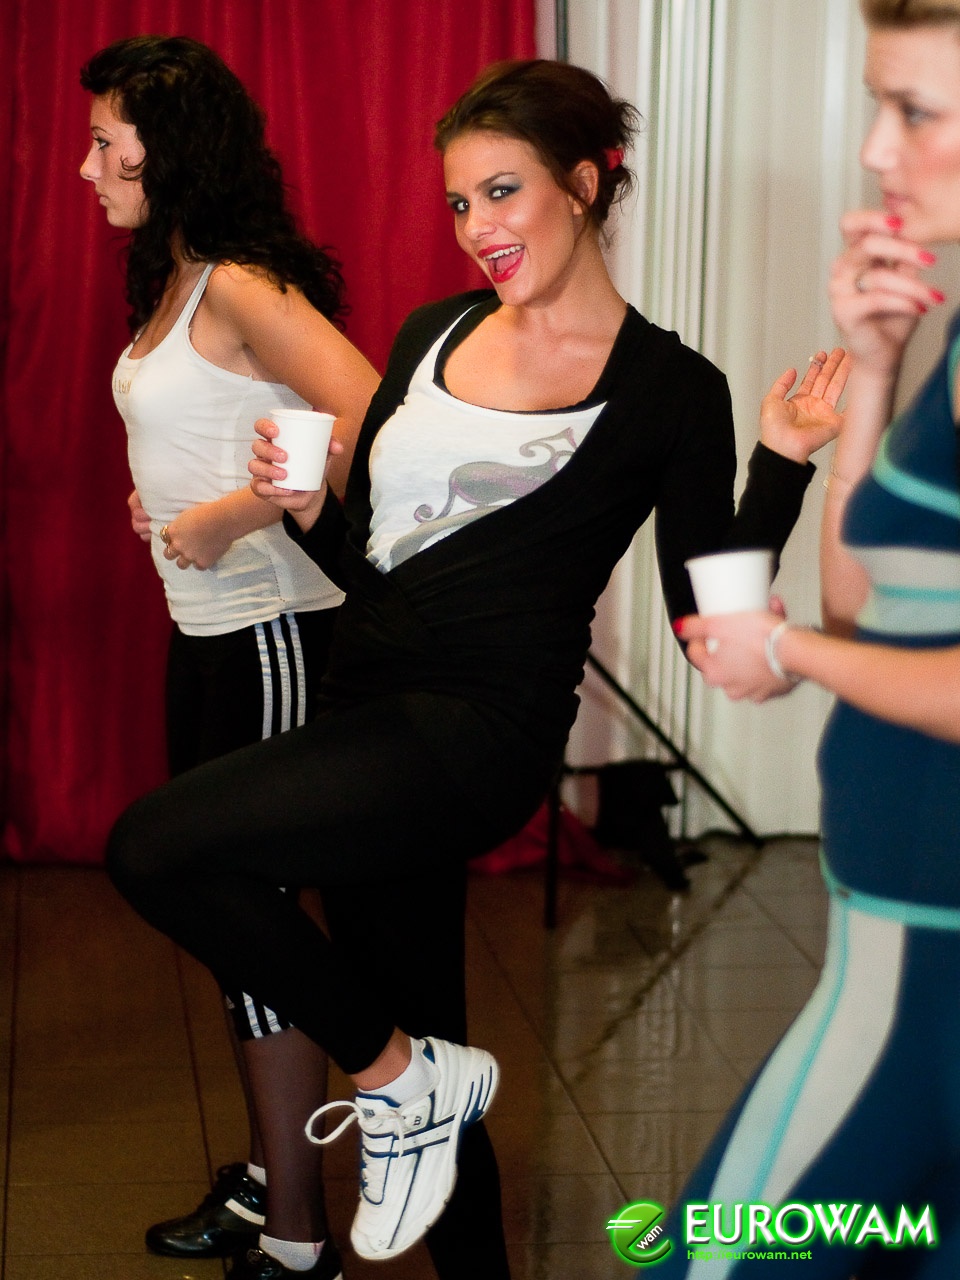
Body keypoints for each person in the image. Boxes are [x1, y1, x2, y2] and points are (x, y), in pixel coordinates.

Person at [103, 58, 847, 1272]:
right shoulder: (430, 332)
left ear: (586, 183)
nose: (477, 227)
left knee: (155, 846)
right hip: (364, 705)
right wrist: (303, 506)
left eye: (503, 192)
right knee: (423, 1032)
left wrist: (782, 461)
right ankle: (421, 1094)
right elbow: (369, 559)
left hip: (475, 733)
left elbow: (711, 614)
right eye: (459, 202)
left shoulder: (670, 387)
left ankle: (399, 1079)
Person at [80, 35, 379, 1280]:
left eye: (106, 144)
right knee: (234, 925)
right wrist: (167, 501)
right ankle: (269, 1182)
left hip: (276, 636)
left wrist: (236, 513)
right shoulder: (176, 275)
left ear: (169, 150)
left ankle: (300, 1236)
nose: (87, 167)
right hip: (205, 635)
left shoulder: (241, 282)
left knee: (250, 915)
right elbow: (219, 424)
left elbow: (366, 410)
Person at [667, 3, 960, 1275]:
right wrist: (875, 367)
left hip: (919, 969)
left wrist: (782, 655)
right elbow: (868, 609)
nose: (877, 150)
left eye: (917, 111)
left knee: (723, 1253)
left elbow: (829, 642)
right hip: (893, 932)